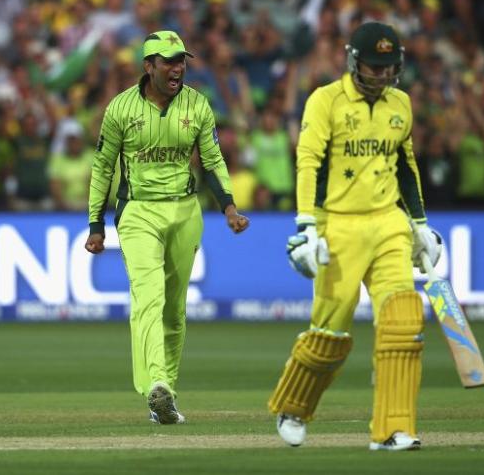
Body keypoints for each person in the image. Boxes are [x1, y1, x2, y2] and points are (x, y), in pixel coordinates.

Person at [268, 22, 442, 450]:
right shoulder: (325, 101)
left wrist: (419, 224)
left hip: (388, 223)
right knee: (331, 330)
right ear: (353, 61)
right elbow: (308, 162)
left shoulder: (400, 103)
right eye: (373, 66)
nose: (381, 75)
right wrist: (307, 226)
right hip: (338, 224)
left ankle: (393, 429)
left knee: (403, 323)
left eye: (388, 67)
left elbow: (406, 165)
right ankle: (294, 405)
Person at [85, 30, 249, 425]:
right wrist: (96, 223)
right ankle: (155, 380)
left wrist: (228, 207)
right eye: (169, 61)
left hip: (185, 212)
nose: (178, 68)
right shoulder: (121, 109)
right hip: (138, 212)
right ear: (149, 66)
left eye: (182, 61)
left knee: (175, 311)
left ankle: (165, 397)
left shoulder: (198, 104)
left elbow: (212, 161)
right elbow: (103, 167)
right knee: (148, 297)